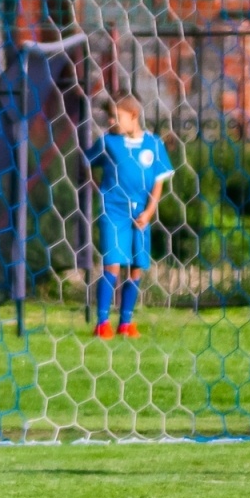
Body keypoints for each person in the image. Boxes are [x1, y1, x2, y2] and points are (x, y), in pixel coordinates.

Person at [84, 95, 174, 339]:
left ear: (133, 116)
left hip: (140, 215)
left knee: (136, 267)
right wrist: (97, 188)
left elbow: (158, 182)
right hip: (114, 211)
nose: (112, 121)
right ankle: (102, 323)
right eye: (111, 116)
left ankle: (126, 322)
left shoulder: (154, 145)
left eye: (117, 116)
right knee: (112, 262)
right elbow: (85, 162)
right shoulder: (108, 143)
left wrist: (149, 212)